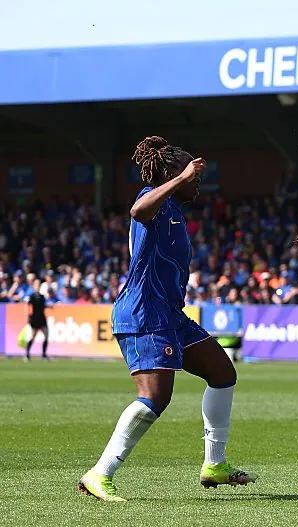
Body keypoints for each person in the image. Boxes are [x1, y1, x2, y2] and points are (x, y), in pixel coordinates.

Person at [78, 136, 256, 502]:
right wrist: (178, 178)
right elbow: (137, 211)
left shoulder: (174, 208)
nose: (197, 180)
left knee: (222, 373)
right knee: (155, 397)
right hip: (145, 312)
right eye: (191, 173)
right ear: (173, 173)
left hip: (171, 315)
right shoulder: (153, 200)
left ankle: (214, 463)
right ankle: (100, 473)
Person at [24, 284, 50, 361]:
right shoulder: (32, 296)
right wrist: (28, 316)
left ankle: (44, 354)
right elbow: (28, 306)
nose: (38, 287)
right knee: (33, 336)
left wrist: (48, 307)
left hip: (42, 317)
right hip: (35, 317)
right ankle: (27, 354)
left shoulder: (42, 296)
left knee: (46, 334)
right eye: (36, 286)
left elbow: (43, 306)